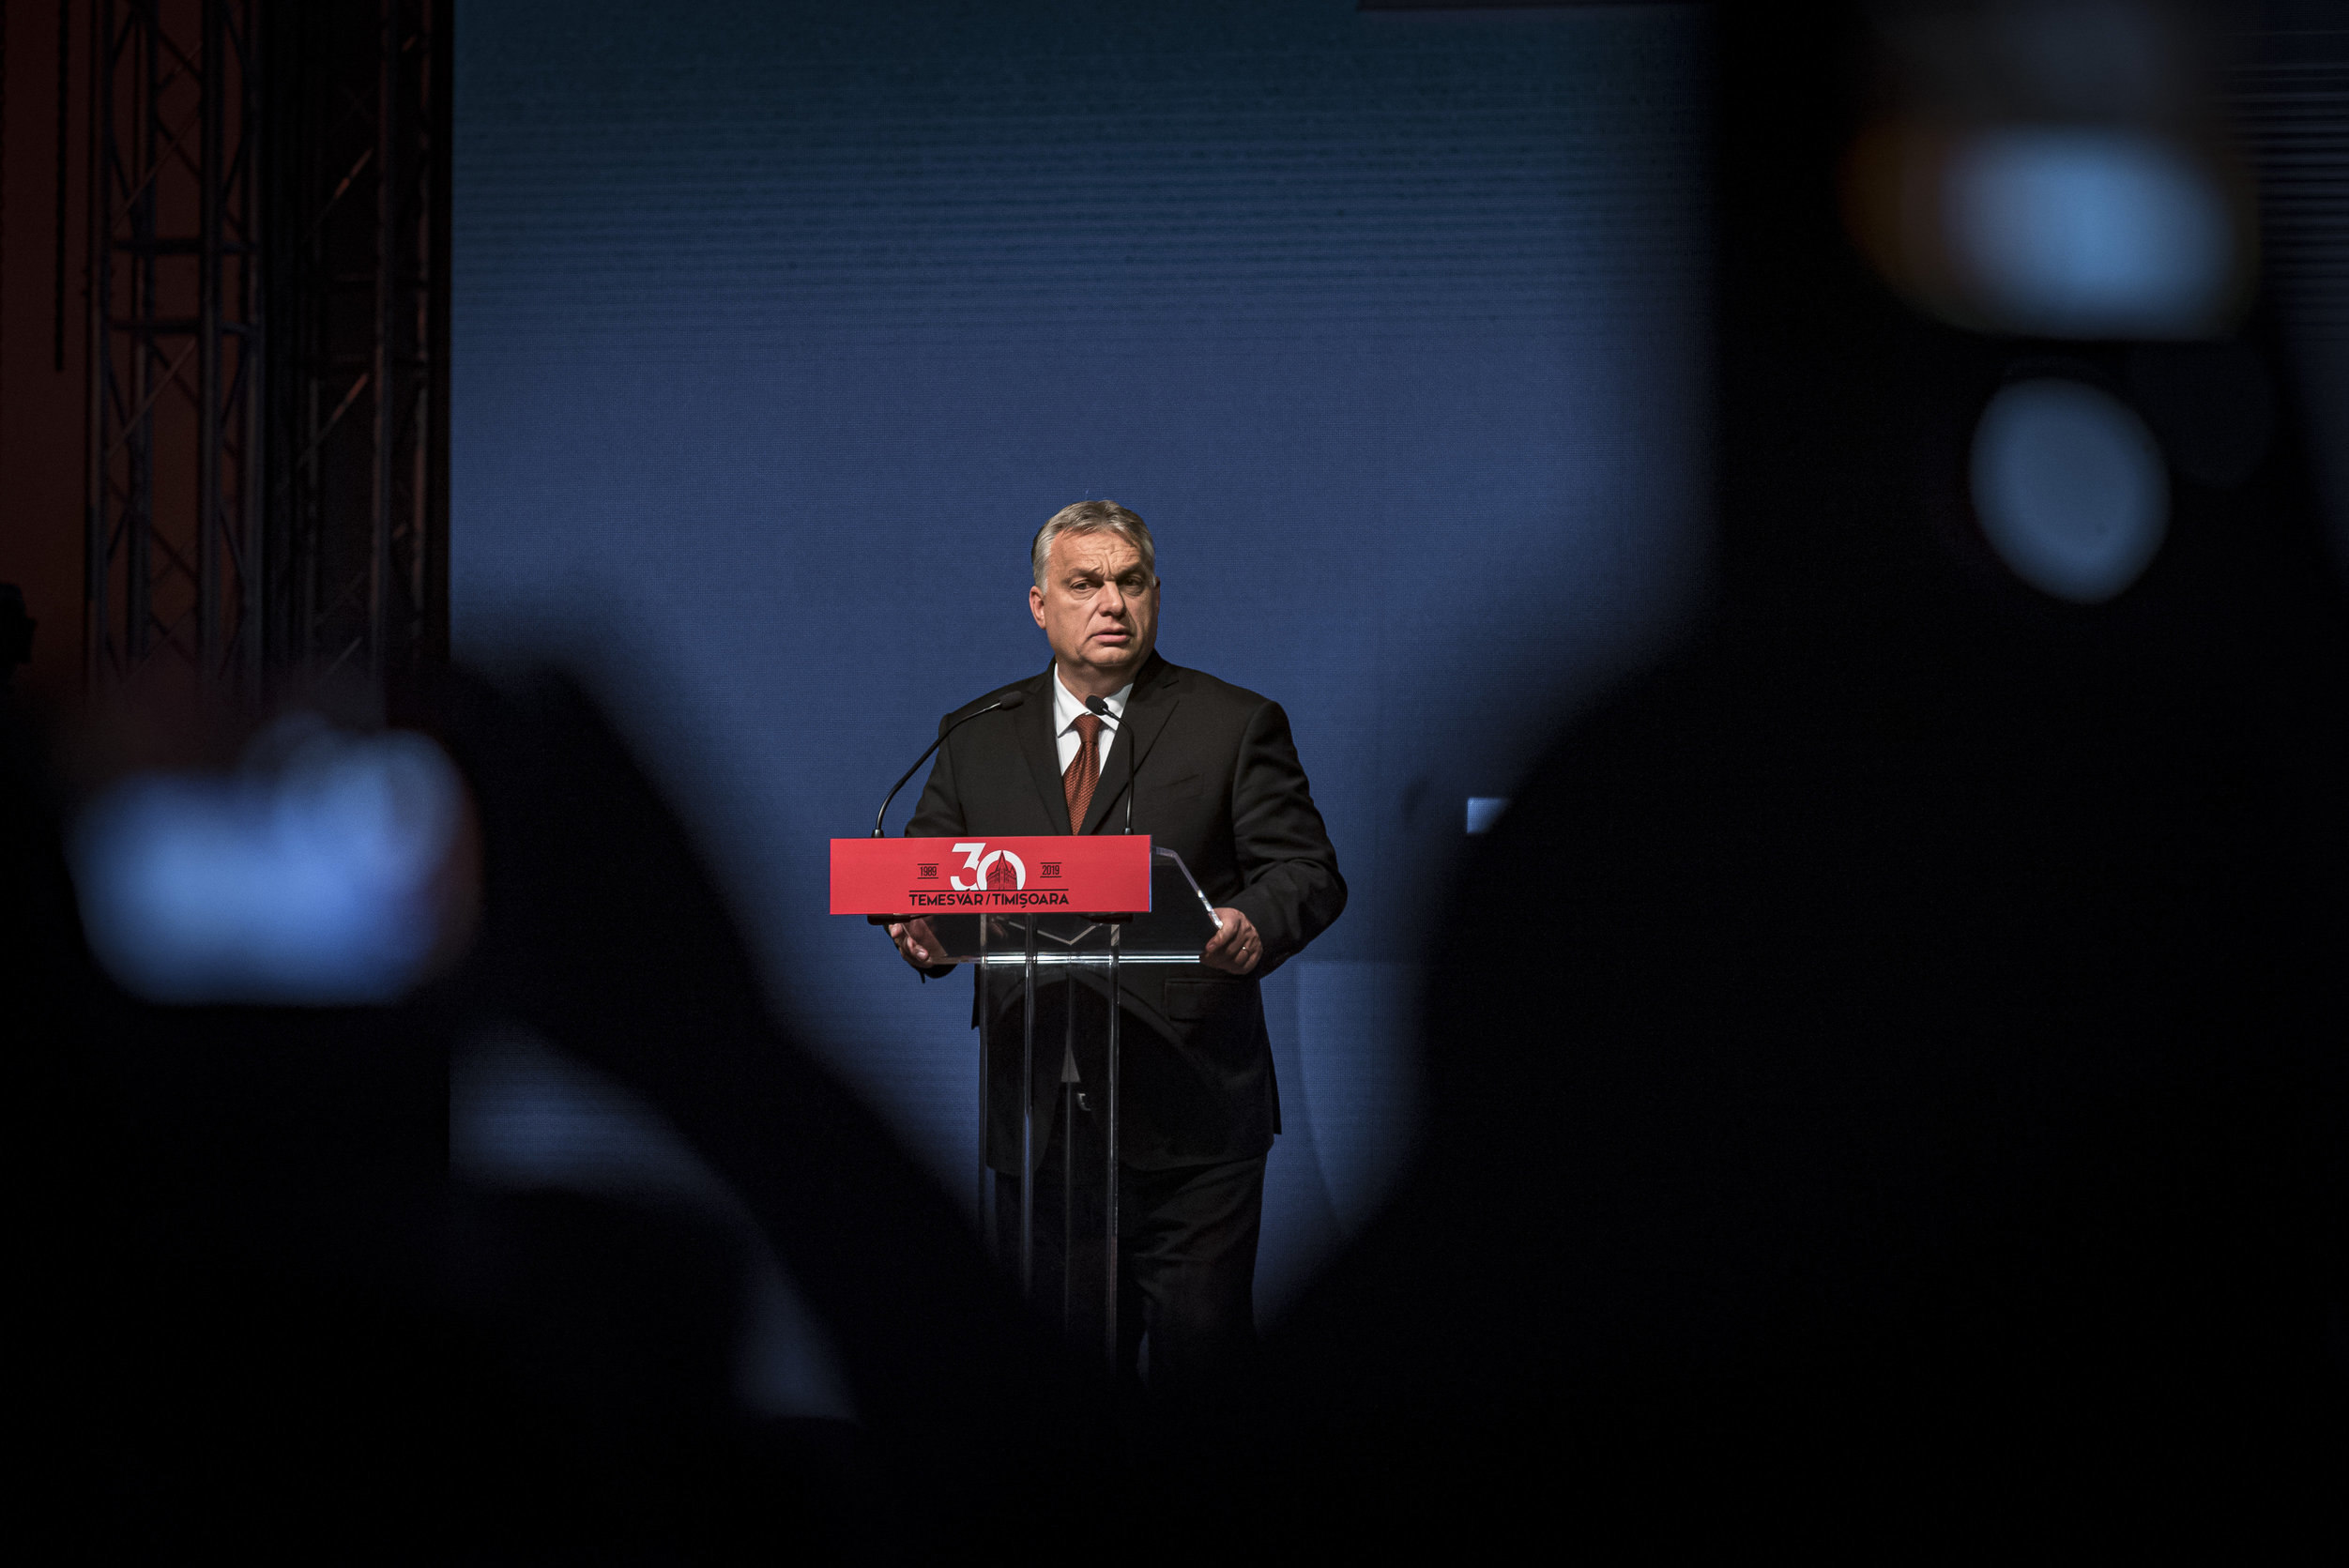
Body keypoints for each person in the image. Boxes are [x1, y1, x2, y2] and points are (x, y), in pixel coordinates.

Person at [886, 500, 1345, 1396]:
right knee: (1052, 1390)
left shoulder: (1231, 722)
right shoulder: (975, 731)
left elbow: (1306, 871)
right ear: (1038, 605)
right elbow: (927, 874)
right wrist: (923, 933)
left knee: (1200, 1373)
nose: (1111, 602)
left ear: (1155, 595)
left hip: (1191, 1115)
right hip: (1038, 1114)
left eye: (1130, 582)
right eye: (1085, 583)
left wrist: (1252, 921)